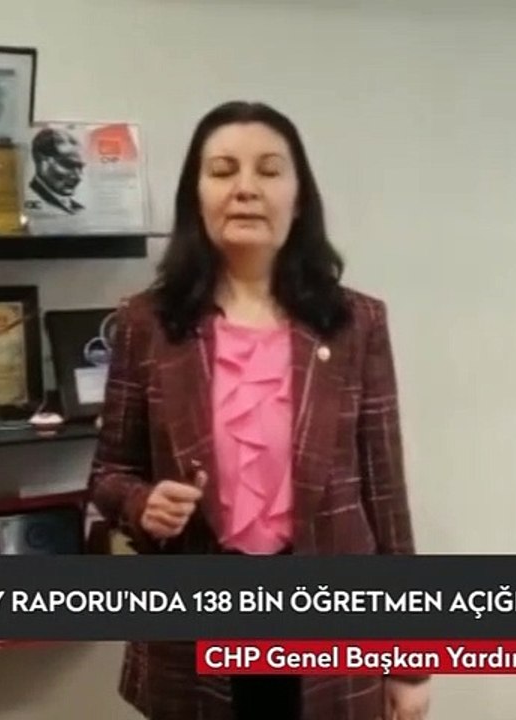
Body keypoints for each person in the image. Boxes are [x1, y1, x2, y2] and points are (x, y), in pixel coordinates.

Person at [87, 100, 430, 720]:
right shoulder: (147, 323)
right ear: (196, 198)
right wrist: (142, 503)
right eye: (223, 171)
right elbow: (109, 475)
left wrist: (408, 661)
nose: (246, 188)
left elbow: (387, 501)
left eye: (269, 171)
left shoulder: (356, 322)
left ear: (299, 199)